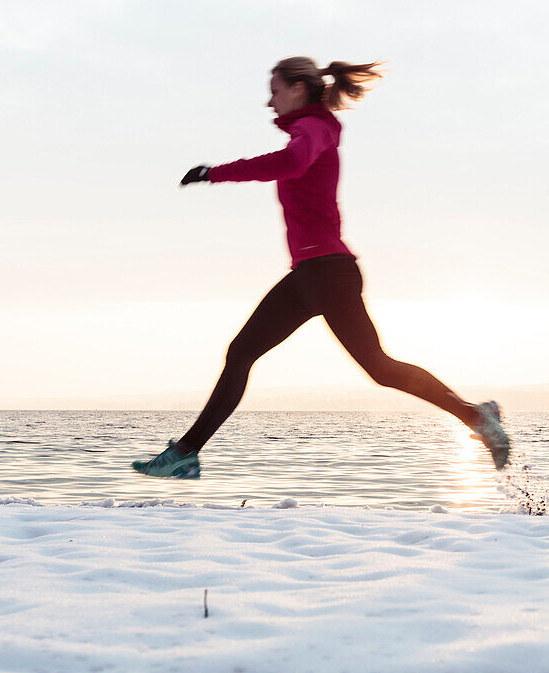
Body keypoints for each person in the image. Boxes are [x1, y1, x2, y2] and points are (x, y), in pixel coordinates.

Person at [132, 56, 510, 479]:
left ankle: (475, 416)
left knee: (377, 367)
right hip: (312, 273)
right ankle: (186, 452)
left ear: (298, 89)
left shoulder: (312, 131)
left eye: (274, 91)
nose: (269, 102)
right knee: (249, 354)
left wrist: (215, 173)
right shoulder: (313, 129)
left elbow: (291, 163)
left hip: (327, 272)